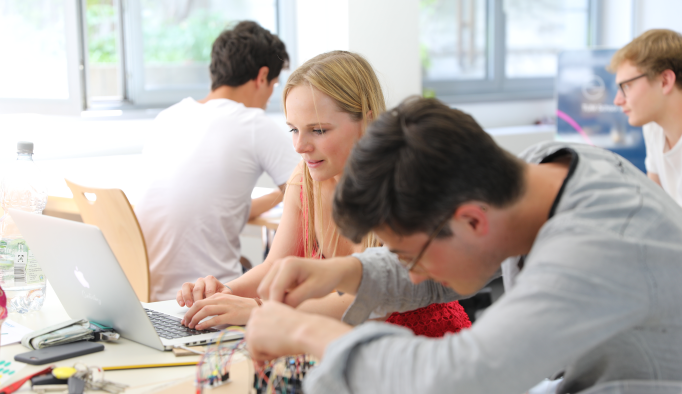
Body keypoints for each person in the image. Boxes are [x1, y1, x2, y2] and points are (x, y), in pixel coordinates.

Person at [246, 97, 682, 394]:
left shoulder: (595, 245)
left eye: (411, 256)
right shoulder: (531, 175)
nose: (413, 273)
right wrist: (345, 273)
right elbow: (448, 262)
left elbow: (463, 376)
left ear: (472, 218)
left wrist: (306, 330)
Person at [178, 51, 471, 337]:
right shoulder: (305, 179)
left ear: (366, 121)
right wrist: (223, 295)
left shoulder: (401, 184)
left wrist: (260, 309)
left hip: (424, 344)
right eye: (293, 129)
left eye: (318, 130)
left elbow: (372, 297)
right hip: (355, 342)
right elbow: (274, 265)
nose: (299, 145)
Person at [135, 21, 300, 301]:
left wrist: (275, 196)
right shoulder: (253, 123)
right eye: (273, 84)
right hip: (209, 298)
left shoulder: (168, 118)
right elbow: (311, 198)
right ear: (262, 77)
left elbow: (209, 210)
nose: (271, 94)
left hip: (147, 296)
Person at [611, 29, 682, 205]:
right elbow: (655, 208)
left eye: (627, 86)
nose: (617, 100)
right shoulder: (654, 128)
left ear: (665, 81)